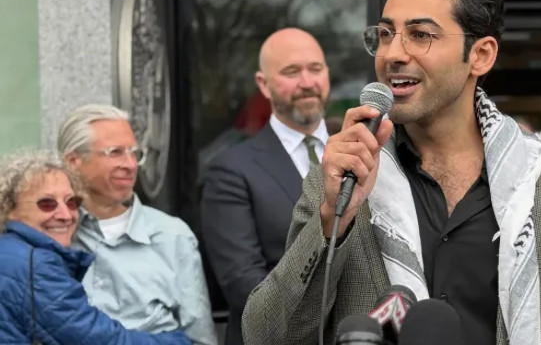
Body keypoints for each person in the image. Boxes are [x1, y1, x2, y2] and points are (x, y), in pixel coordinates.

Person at [242, 0, 541, 345]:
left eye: (421, 35)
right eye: (386, 34)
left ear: (480, 56)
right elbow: (266, 336)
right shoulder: (343, 178)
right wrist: (332, 222)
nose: (393, 54)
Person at [200, 27, 331, 345]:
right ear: (263, 84)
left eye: (315, 68)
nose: (307, 82)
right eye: (291, 72)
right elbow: (244, 286)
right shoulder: (230, 171)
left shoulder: (365, 151)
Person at [56, 105, 217, 345]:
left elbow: (200, 338)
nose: (131, 164)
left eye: (134, 153)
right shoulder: (52, 235)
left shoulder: (171, 235)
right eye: (115, 152)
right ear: (73, 161)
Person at [0, 150, 191, 345]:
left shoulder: (11, 253)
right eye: (47, 204)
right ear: (9, 208)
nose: (66, 215)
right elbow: (101, 340)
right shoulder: (36, 266)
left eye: (72, 202)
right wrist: (179, 342)